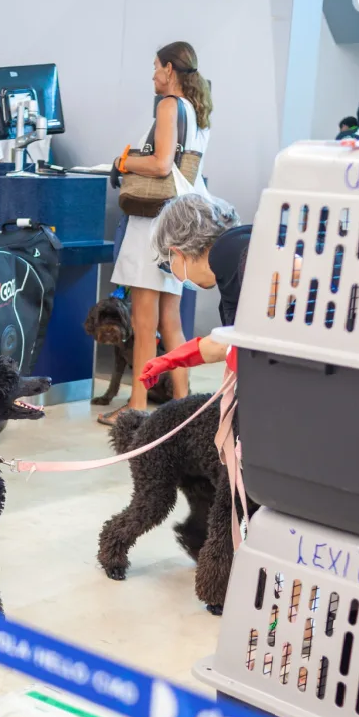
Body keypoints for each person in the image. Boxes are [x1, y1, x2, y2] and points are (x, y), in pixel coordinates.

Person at [100, 41, 212, 427]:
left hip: (151, 223)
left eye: (154, 67)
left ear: (169, 68)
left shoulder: (168, 106)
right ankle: (184, 407)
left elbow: (162, 164)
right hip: (177, 223)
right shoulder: (197, 111)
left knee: (145, 324)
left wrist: (123, 161)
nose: (152, 75)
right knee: (172, 321)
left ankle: (135, 407)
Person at [137, 194, 251, 388]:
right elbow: (231, 341)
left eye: (169, 264)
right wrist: (170, 359)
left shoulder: (234, 258)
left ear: (177, 252)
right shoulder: (236, 252)